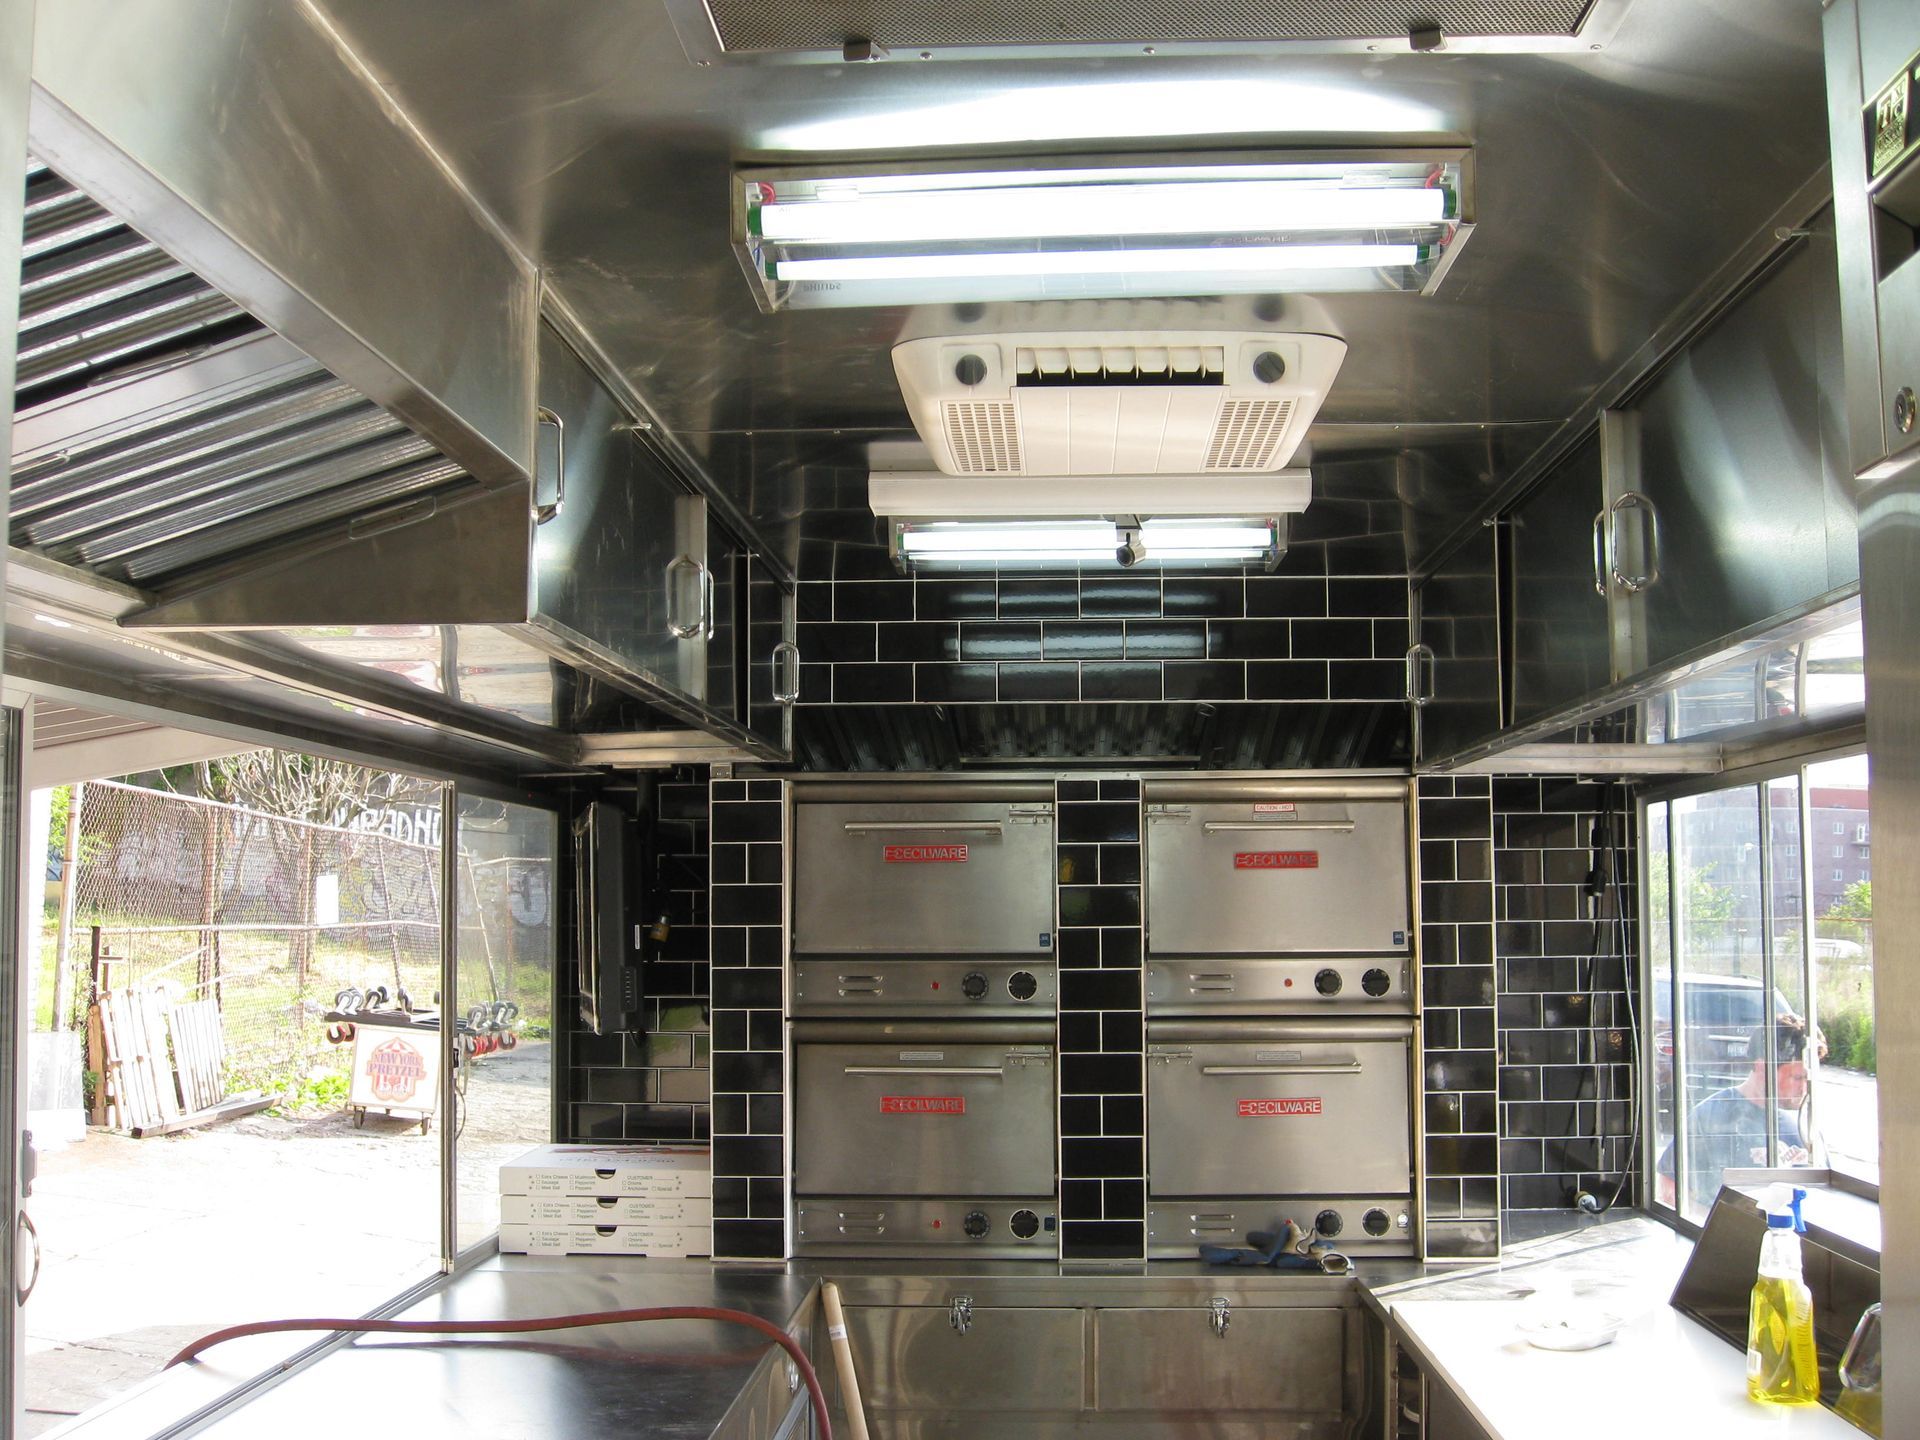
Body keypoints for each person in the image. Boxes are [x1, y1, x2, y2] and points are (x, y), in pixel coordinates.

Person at [1656, 1014, 1824, 1215]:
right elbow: (1670, 1189)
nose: (1804, 1088)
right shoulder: (1710, 1117)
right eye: (1797, 1078)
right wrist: (1720, 1225)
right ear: (1762, 1067)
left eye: (1809, 1079)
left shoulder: (1804, 1125)